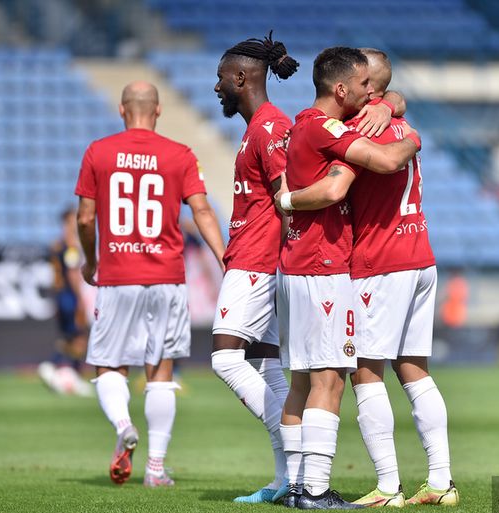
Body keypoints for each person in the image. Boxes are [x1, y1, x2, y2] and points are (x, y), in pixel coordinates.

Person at [275, 48, 458, 507]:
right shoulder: (397, 122)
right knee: (415, 369)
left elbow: (340, 183)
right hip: (421, 255)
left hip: (380, 262)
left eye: (363, 82)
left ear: (368, 87)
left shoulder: (358, 127)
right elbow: (398, 113)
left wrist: (288, 200)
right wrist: (406, 123)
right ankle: (441, 482)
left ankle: (388, 487)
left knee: (363, 371)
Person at [75, 81, 225, 487]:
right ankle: (155, 469)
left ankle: (123, 424)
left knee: (110, 364)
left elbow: (86, 218)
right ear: (158, 111)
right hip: (167, 278)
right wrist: (224, 258)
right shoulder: (180, 155)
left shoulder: (98, 152)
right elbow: (203, 210)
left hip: (118, 276)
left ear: (122, 110)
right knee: (161, 371)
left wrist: (92, 261)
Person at [209, 33, 299, 504]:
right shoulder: (257, 128)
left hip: (257, 261)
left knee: (225, 359)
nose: (216, 87)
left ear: (242, 78)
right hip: (253, 258)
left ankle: (299, 454)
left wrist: (284, 262)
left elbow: (290, 200)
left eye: (221, 78)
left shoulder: (270, 127)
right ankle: (286, 479)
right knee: (266, 367)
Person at [37, 207, 93, 397]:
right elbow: (72, 273)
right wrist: (80, 298)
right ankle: (57, 366)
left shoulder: (56, 245)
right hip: (70, 295)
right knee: (79, 337)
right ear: (68, 222)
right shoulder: (71, 246)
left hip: (60, 295)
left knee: (68, 337)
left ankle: (63, 370)